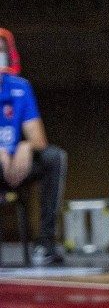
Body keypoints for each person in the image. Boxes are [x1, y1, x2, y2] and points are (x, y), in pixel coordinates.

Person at [0, 31, 67, 266]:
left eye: (1, 49)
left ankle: (45, 244)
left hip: (14, 166)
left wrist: (25, 146)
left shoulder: (20, 88)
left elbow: (38, 138)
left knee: (54, 158)